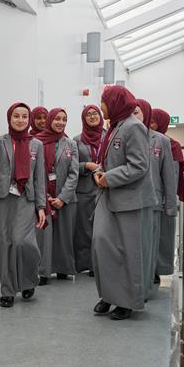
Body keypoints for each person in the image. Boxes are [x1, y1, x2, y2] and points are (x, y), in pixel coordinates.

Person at [92, 86, 157, 320]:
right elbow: (106, 160)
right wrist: (99, 172)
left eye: (103, 101)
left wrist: (108, 178)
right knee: (102, 245)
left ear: (115, 102)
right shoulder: (114, 127)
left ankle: (127, 301)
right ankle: (109, 295)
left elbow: (139, 165)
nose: (101, 106)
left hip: (130, 200)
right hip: (109, 196)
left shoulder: (133, 127)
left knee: (128, 253)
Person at [0, 102, 47, 307]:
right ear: (9, 118)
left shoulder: (37, 145)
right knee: (4, 245)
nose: (20, 120)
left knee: (23, 242)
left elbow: (39, 178)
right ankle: (7, 290)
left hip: (26, 200)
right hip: (2, 200)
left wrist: (41, 206)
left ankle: (29, 280)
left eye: (24, 116)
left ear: (29, 119)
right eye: (16, 116)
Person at [133, 100, 176, 297]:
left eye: (137, 112)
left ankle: (145, 289)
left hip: (153, 203)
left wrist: (170, 206)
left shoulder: (161, 141)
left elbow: (168, 176)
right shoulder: (124, 136)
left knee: (149, 249)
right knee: (132, 249)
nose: (133, 116)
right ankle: (132, 288)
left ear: (146, 114)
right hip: (129, 202)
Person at [35, 108, 79, 284]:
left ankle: (63, 268)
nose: (61, 122)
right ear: (50, 120)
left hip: (65, 198)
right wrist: (43, 195)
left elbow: (73, 173)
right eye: (57, 119)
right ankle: (43, 272)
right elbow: (34, 172)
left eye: (64, 119)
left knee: (64, 236)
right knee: (43, 236)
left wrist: (62, 197)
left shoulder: (71, 144)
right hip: (43, 197)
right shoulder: (36, 142)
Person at [73, 105, 104, 277]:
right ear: (83, 119)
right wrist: (86, 165)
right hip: (84, 190)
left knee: (103, 229)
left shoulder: (109, 136)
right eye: (88, 115)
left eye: (95, 113)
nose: (92, 117)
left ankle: (102, 263)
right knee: (84, 230)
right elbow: (71, 166)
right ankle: (87, 264)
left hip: (106, 189)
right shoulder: (77, 141)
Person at [150, 108, 181, 278]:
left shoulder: (171, 145)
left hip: (163, 198)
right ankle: (150, 269)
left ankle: (159, 270)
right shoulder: (145, 141)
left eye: (153, 122)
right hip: (150, 198)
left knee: (163, 237)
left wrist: (167, 200)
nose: (149, 125)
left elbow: (172, 176)